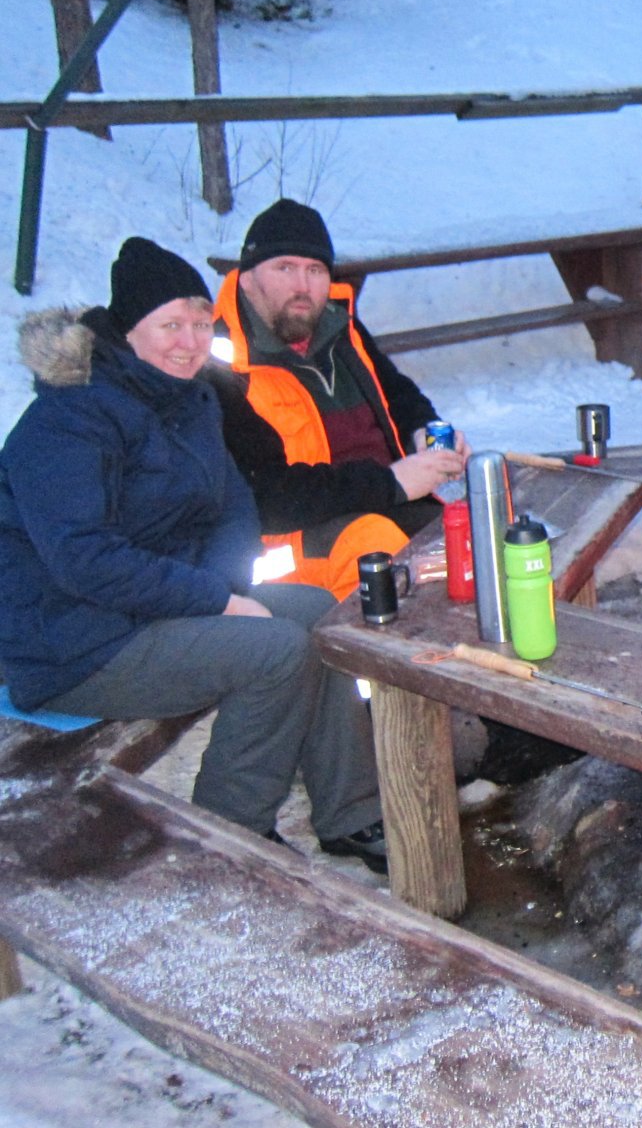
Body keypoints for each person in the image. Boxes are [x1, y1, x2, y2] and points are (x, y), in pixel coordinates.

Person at [0, 239, 387, 869]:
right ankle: (228, 839)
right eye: (170, 326)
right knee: (275, 652)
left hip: (156, 608)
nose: (189, 341)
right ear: (127, 331)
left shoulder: (190, 399)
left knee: (319, 611)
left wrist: (220, 594)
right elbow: (84, 560)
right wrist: (215, 602)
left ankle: (351, 814)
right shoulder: (68, 422)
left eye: (201, 324)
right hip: (73, 643)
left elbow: (232, 506)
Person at [211, 199, 468, 599]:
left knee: (481, 528)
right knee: (380, 553)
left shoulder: (339, 327)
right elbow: (266, 497)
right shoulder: (221, 366)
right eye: (285, 268)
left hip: (381, 499)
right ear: (246, 278)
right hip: (289, 541)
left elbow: (398, 392)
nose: (302, 286)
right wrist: (391, 482)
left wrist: (425, 433)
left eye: (315, 271)